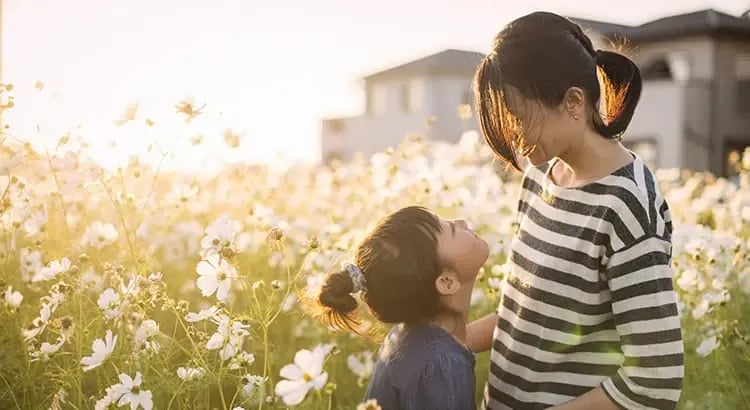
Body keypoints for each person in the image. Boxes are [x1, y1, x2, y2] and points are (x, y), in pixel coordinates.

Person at [468, 11, 684, 410]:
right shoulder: (542, 176)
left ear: (573, 101)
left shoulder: (628, 204)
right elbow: (524, 315)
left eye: (517, 118)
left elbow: (656, 379)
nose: (513, 138)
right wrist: (437, 342)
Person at [315, 206, 489, 410]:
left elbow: (463, 340)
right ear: (447, 282)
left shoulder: (411, 336)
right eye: (452, 229)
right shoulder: (439, 368)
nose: (461, 221)